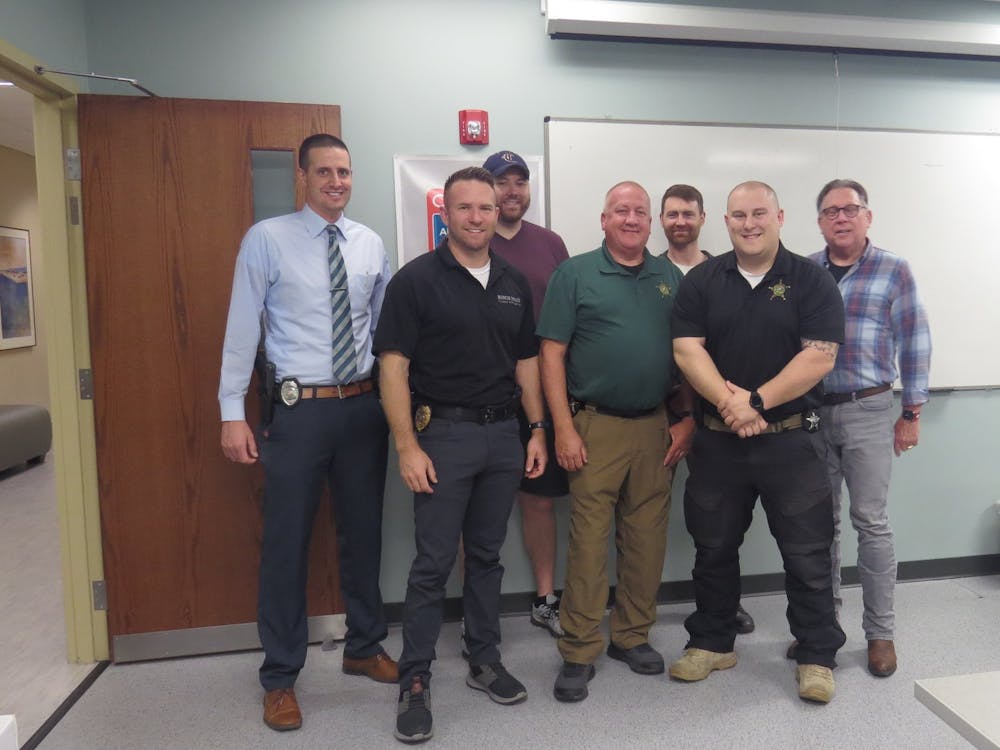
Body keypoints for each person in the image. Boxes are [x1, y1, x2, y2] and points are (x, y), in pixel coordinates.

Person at [219, 133, 396, 732]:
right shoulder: (267, 239)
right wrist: (230, 410)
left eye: (344, 171)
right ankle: (280, 676)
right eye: (324, 171)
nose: (336, 182)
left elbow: (381, 333)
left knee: (364, 534)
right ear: (303, 176)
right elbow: (243, 327)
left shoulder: (370, 244)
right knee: (287, 543)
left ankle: (364, 646)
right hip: (298, 412)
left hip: (362, 409)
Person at [375, 166, 547, 744]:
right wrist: (407, 446)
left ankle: (484, 659)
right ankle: (415, 679)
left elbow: (526, 364)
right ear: (445, 214)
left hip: (504, 436)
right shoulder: (416, 280)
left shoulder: (513, 281)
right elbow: (392, 368)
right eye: (465, 208)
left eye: (486, 207)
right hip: (442, 436)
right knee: (431, 562)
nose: (477, 218)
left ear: (499, 211)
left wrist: (538, 430)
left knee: (487, 555)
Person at [669, 181, 847, 704]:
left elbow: (819, 356)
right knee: (713, 547)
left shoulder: (811, 280)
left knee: (808, 552)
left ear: (780, 216)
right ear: (724, 221)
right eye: (739, 215)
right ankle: (712, 641)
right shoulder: (703, 280)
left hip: (791, 444)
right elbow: (686, 352)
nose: (749, 224)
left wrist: (757, 402)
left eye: (759, 214)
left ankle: (816, 654)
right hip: (719, 443)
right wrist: (733, 407)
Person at [538, 181, 691, 703]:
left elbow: (689, 354)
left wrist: (686, 420)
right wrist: (562, 426)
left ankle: (631, 636)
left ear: (652, 224)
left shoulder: (669, 277)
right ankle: (580, 649)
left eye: (640, 212)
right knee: (587, 542)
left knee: (647, 537)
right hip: (593, 425)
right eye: (621, 211)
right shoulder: (574, 273)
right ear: (603, 219)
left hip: (655, 425)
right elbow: (551, 355)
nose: (631, 219)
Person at [806, 178, 931, 678]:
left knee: (870, 523)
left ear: (867, 216)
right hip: (813, 413)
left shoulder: (894, 269)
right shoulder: (804, 272)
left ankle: (880, 635)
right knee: (821, 528)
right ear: (819, 221)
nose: (841, 217)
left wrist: (913, 411)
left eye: (850, 209)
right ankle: (825, 632)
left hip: (870, 409)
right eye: (831, 211)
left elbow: (914, 340)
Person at [659, 182, 755, 636]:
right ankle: (635, 608)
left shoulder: (723, 273)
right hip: (654, 414)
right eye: (672, 214)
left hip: (714, 416)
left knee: (717, 519)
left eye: (688, 214)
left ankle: (719, 606)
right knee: (647, 515)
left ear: (703, 219)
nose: (680, 222)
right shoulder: (646, 270)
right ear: (662, 220)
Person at [482, 150, 570, 637]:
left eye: (520, 181)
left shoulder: (551, 244)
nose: (512, 190)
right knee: (478, 504)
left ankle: (544, 597)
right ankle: (480, 606)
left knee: (539, 500)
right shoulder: (473, 240)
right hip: (486, 393)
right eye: (502, 181)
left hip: (546, 389)